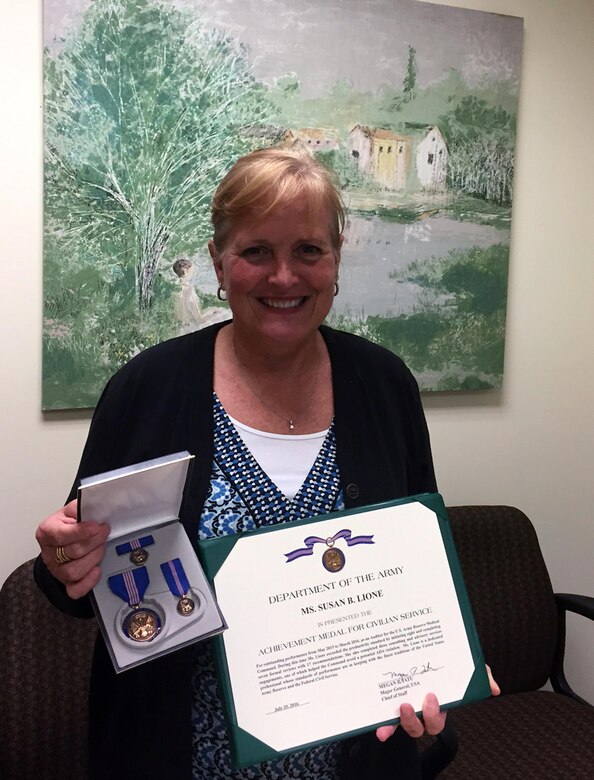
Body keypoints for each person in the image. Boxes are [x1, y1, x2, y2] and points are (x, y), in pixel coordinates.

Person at [34, 149, 489, 779]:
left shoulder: (385, 385)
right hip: (187, 758)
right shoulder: (147, 388)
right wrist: (64, 562)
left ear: (335, 259)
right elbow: (86, 582)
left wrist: (440, 666)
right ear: (220, 264)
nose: (284, 277)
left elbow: (419, 560)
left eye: (307, 250)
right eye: (256, 253)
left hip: (356, 762)